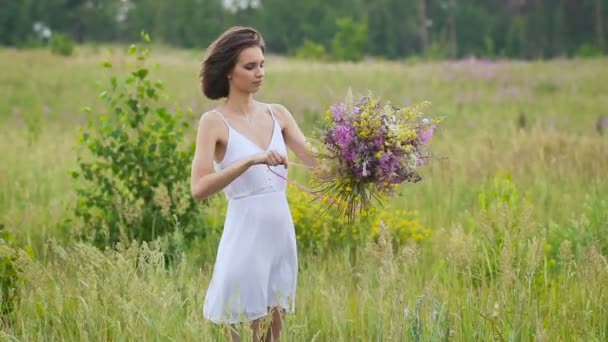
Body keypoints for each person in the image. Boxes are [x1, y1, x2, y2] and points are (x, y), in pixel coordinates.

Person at [190, 26, 316, 341]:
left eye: (262, 64)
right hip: (245, 237)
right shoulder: (213, 123)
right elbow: (199, 188)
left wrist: (363, 159)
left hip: (280, 235)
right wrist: (250, 160)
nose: (259, 73)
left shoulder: (279, 114)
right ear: (229, 72)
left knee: (273, 336)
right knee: (242, 331)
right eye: (250, 66)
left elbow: (318, 163)